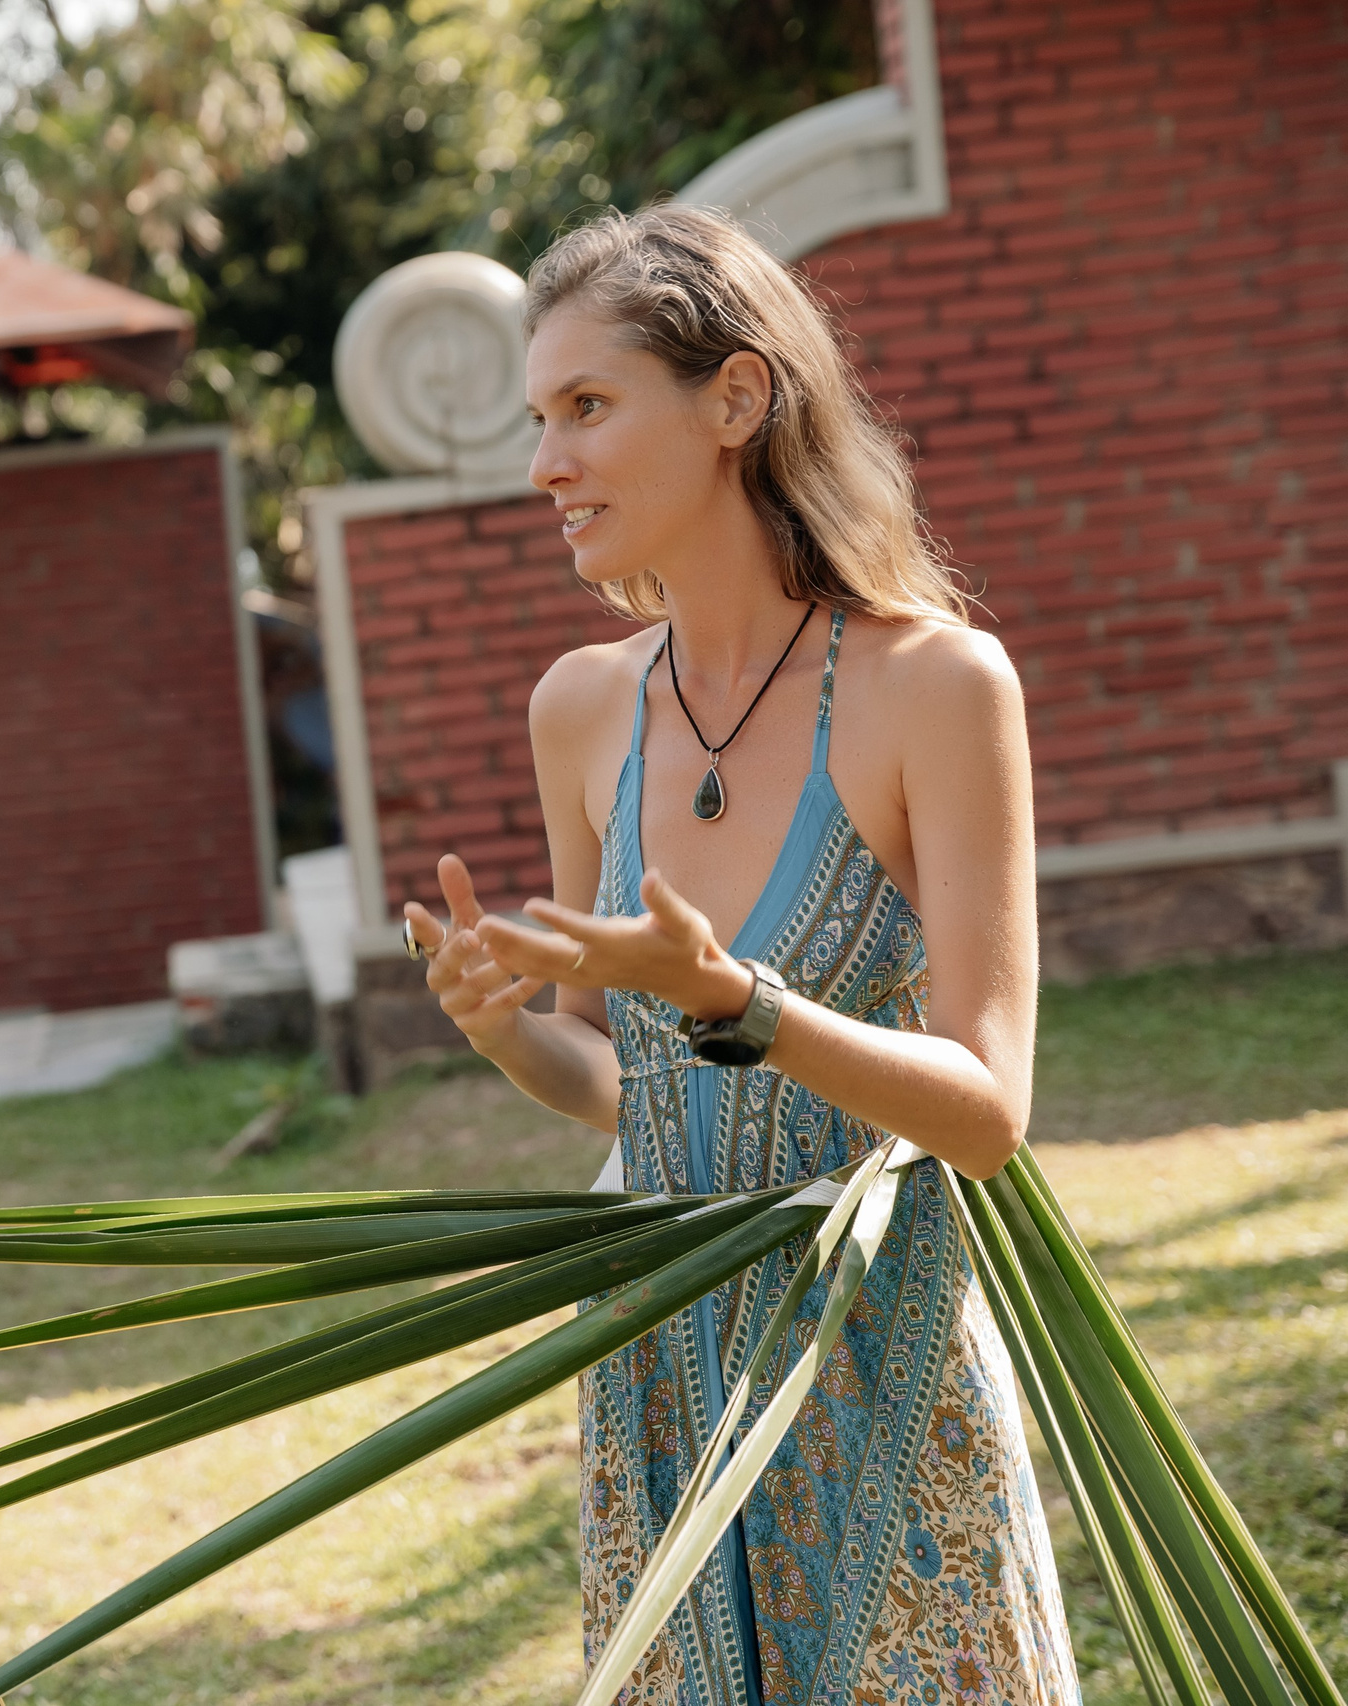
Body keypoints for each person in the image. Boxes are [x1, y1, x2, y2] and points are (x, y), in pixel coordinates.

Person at [402, 207, 1080, 1704]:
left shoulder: (935, 685)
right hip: (660, 1365)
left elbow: (986, 1107)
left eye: (587, 406)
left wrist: (744, 1003)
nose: (544, 465)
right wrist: (507, 1028)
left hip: (883, 1359)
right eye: (539, 418)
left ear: (735, 398)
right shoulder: (579, 710)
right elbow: (619, 1076)